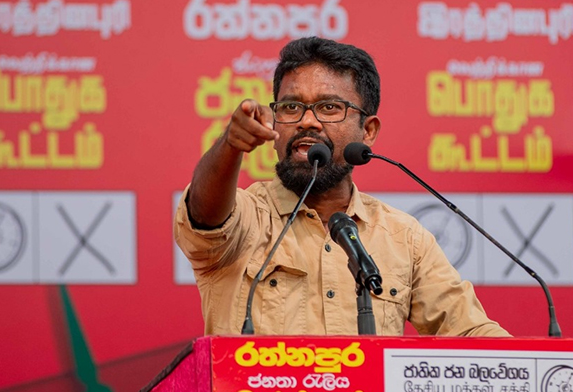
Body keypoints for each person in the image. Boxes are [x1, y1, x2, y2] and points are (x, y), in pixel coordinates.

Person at [175, 36, 509, 337]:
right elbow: (204, 216)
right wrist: (230, 145)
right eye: (291, 107)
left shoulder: (403, 238)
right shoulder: (247, 218)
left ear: (368, 131)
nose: (307, 121)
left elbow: (469, 331)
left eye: (329, 107)